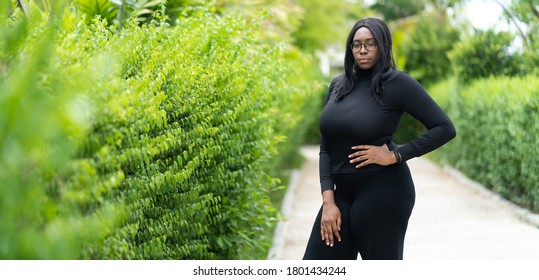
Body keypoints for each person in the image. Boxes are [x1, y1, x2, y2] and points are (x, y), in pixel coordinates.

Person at [302, 17, 456, 260]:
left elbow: (444, 127)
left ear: (382, 45)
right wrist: (328, 201)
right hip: (340, 195)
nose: (362, 50)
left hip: (384, 192)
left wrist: (395, 155)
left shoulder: (397, 83)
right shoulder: (337, 86)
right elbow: (326, 147)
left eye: (370, 44)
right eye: (356, 44)